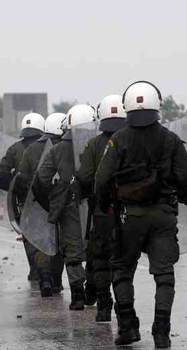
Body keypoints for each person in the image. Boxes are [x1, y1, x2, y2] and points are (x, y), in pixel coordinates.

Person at [95, 81, 187, 348]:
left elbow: (101, 179)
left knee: (122, 270)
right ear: (157, 105)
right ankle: (161, 333)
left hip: (129, 218)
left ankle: (127, 328)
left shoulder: (118, 139)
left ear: (128, 106)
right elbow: (186, 179)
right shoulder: (171, 139)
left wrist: (105, 205)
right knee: (164, 275)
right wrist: (180, 193)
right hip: (163, 216)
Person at [36, 104, 96, 310]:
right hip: (96, 205)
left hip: (68, 205)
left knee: (72, 252)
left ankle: (77, 296)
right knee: (98, 248)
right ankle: (94, 292)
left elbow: (41, 180)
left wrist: (53, 202)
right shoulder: (99, 144)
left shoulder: (57, 149)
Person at [74, 95, 126, 322]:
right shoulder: (131, 139)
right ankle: (125, 309)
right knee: (124, 262)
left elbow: (84, 177)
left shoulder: (93, 145)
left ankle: (104, 307)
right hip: (129, 212)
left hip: (103, 212)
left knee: (102, 259)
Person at [16, 112, 67, 296]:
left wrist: (23, 202)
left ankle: (44, 276)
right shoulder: (66, 147)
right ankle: (57, 281)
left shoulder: (30, 150)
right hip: (61, 203)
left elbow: (21, 179)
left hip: (35, 202)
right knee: (58, 241)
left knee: (40, 241)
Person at [0, 113, 45, 279]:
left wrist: (13, 187)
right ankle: (47, 271)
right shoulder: (48, 146)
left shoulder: (15, 149)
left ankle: (35, 269)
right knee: (48, 233)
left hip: (23, 200)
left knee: (28, 235)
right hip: (47, 199)